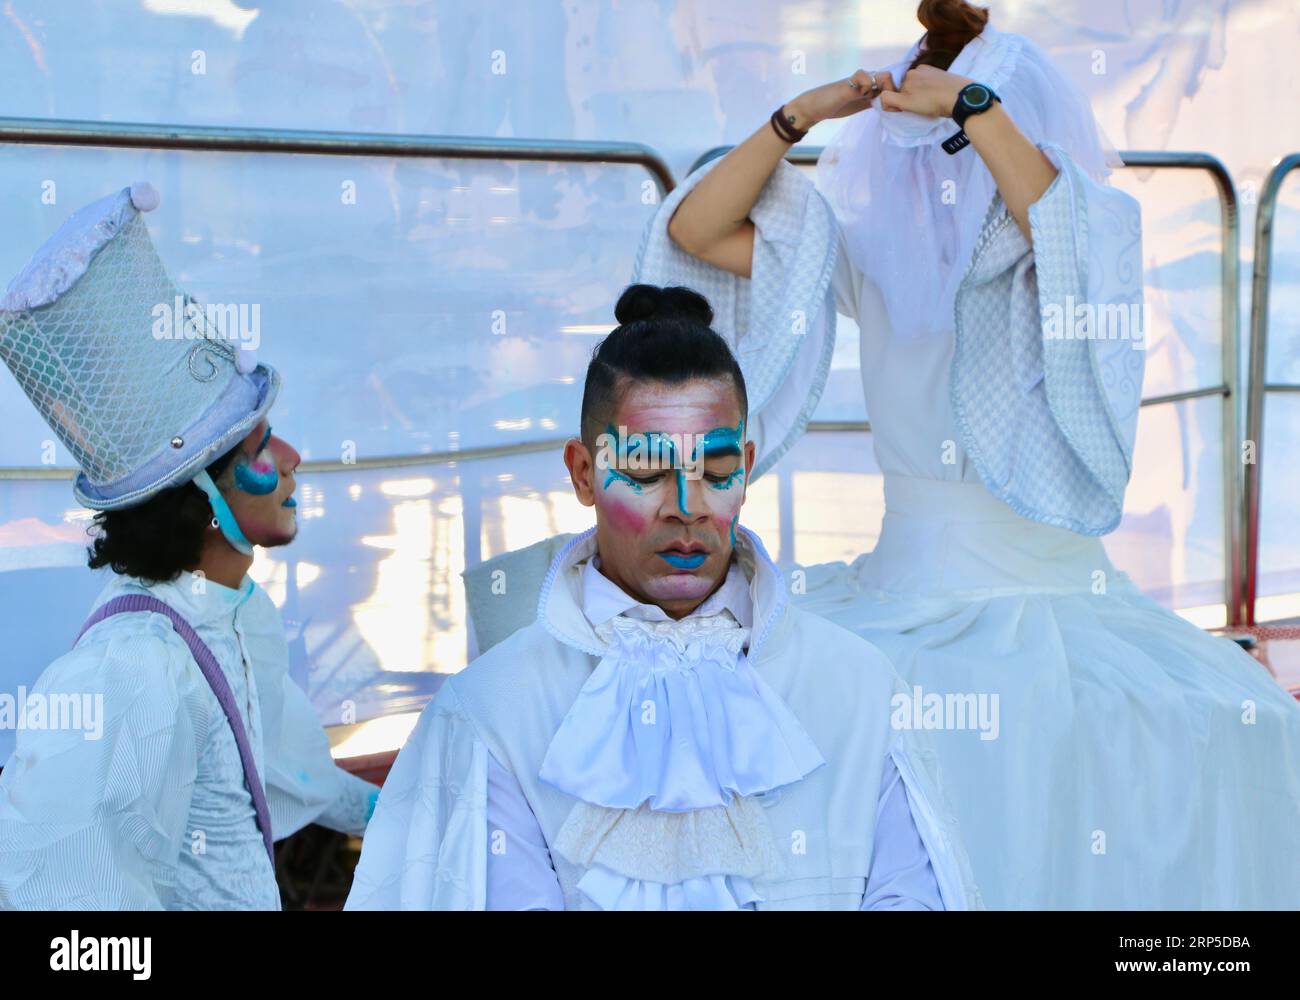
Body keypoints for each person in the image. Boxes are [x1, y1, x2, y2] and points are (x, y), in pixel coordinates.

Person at [647, 0, 1300, 907]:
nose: (931, 176)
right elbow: (697, 231)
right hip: (904, 585)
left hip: (1054, 588)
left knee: (1238, 727)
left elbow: (1061, 215)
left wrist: (970, 105)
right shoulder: (869, 259)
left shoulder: (1058, 248)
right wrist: (799, 115)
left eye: (956, 145)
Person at [346, 284, 980, 910]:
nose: (687, 509)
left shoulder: (861, 689)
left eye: (718, 472)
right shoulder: (491, 714)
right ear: (582, 473)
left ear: (749, 467)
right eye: (647, 474)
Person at [0, 182, 379, 909]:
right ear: (201, 501)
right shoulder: (133, 670)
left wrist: (406, 816)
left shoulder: (230, 614)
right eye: (263, 448)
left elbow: (289, 768)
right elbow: (65, 910)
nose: (295, 458)